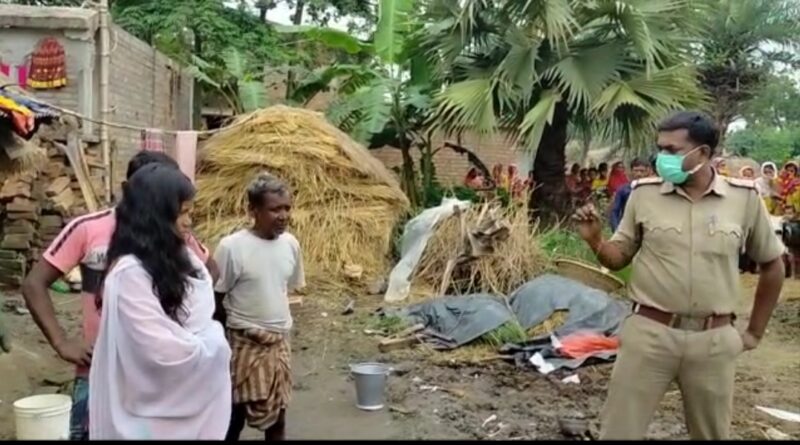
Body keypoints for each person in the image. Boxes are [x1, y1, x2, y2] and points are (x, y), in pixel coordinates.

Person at [573, 111, 785, 440]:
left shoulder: (742, 200)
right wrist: (596, 240)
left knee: (711, 434)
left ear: (701, 153)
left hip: (713, 341)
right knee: (618, 432)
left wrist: (754, 332)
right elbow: (618, 258)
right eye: (660, 148)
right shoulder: (644, 194)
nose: (661, 158)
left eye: (672, 150)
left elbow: (773, 263)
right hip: (649, 335)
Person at [21, 151, 217, 441]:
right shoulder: (88, 228)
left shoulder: (176, 232)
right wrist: (62, 342)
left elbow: (210, 273)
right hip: (99, 370)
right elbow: (34, 283)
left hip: (160, 374)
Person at [89, 164, 231, 440]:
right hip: (148, 416)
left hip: (187, 404)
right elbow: (160, 352)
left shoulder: (183, 258)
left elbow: (201, 306)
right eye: (183, 212)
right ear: (156, 214)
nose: (189, 221)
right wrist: (215, 341)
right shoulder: (129, 274)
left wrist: (204, 335)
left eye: (191, 211)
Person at [214, 173, 305, 441]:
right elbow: (217, 298)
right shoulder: (232, 248)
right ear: (253, 210)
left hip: (279, 343)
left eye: (287, 208)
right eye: (274, 209)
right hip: (244, 343)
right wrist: (224, 345)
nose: (283, 215)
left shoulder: (291, 245)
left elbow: (282, 288)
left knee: (278, 416)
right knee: (233, 416)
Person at [608, 158, 649, 232]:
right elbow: (615, 211)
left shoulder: (652, 189)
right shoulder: (623, 190)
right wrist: (616, 230)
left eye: (642, 171)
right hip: (628, 228)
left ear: (647, 171)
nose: (639, 174)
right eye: (636, 171)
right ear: (631, 171)